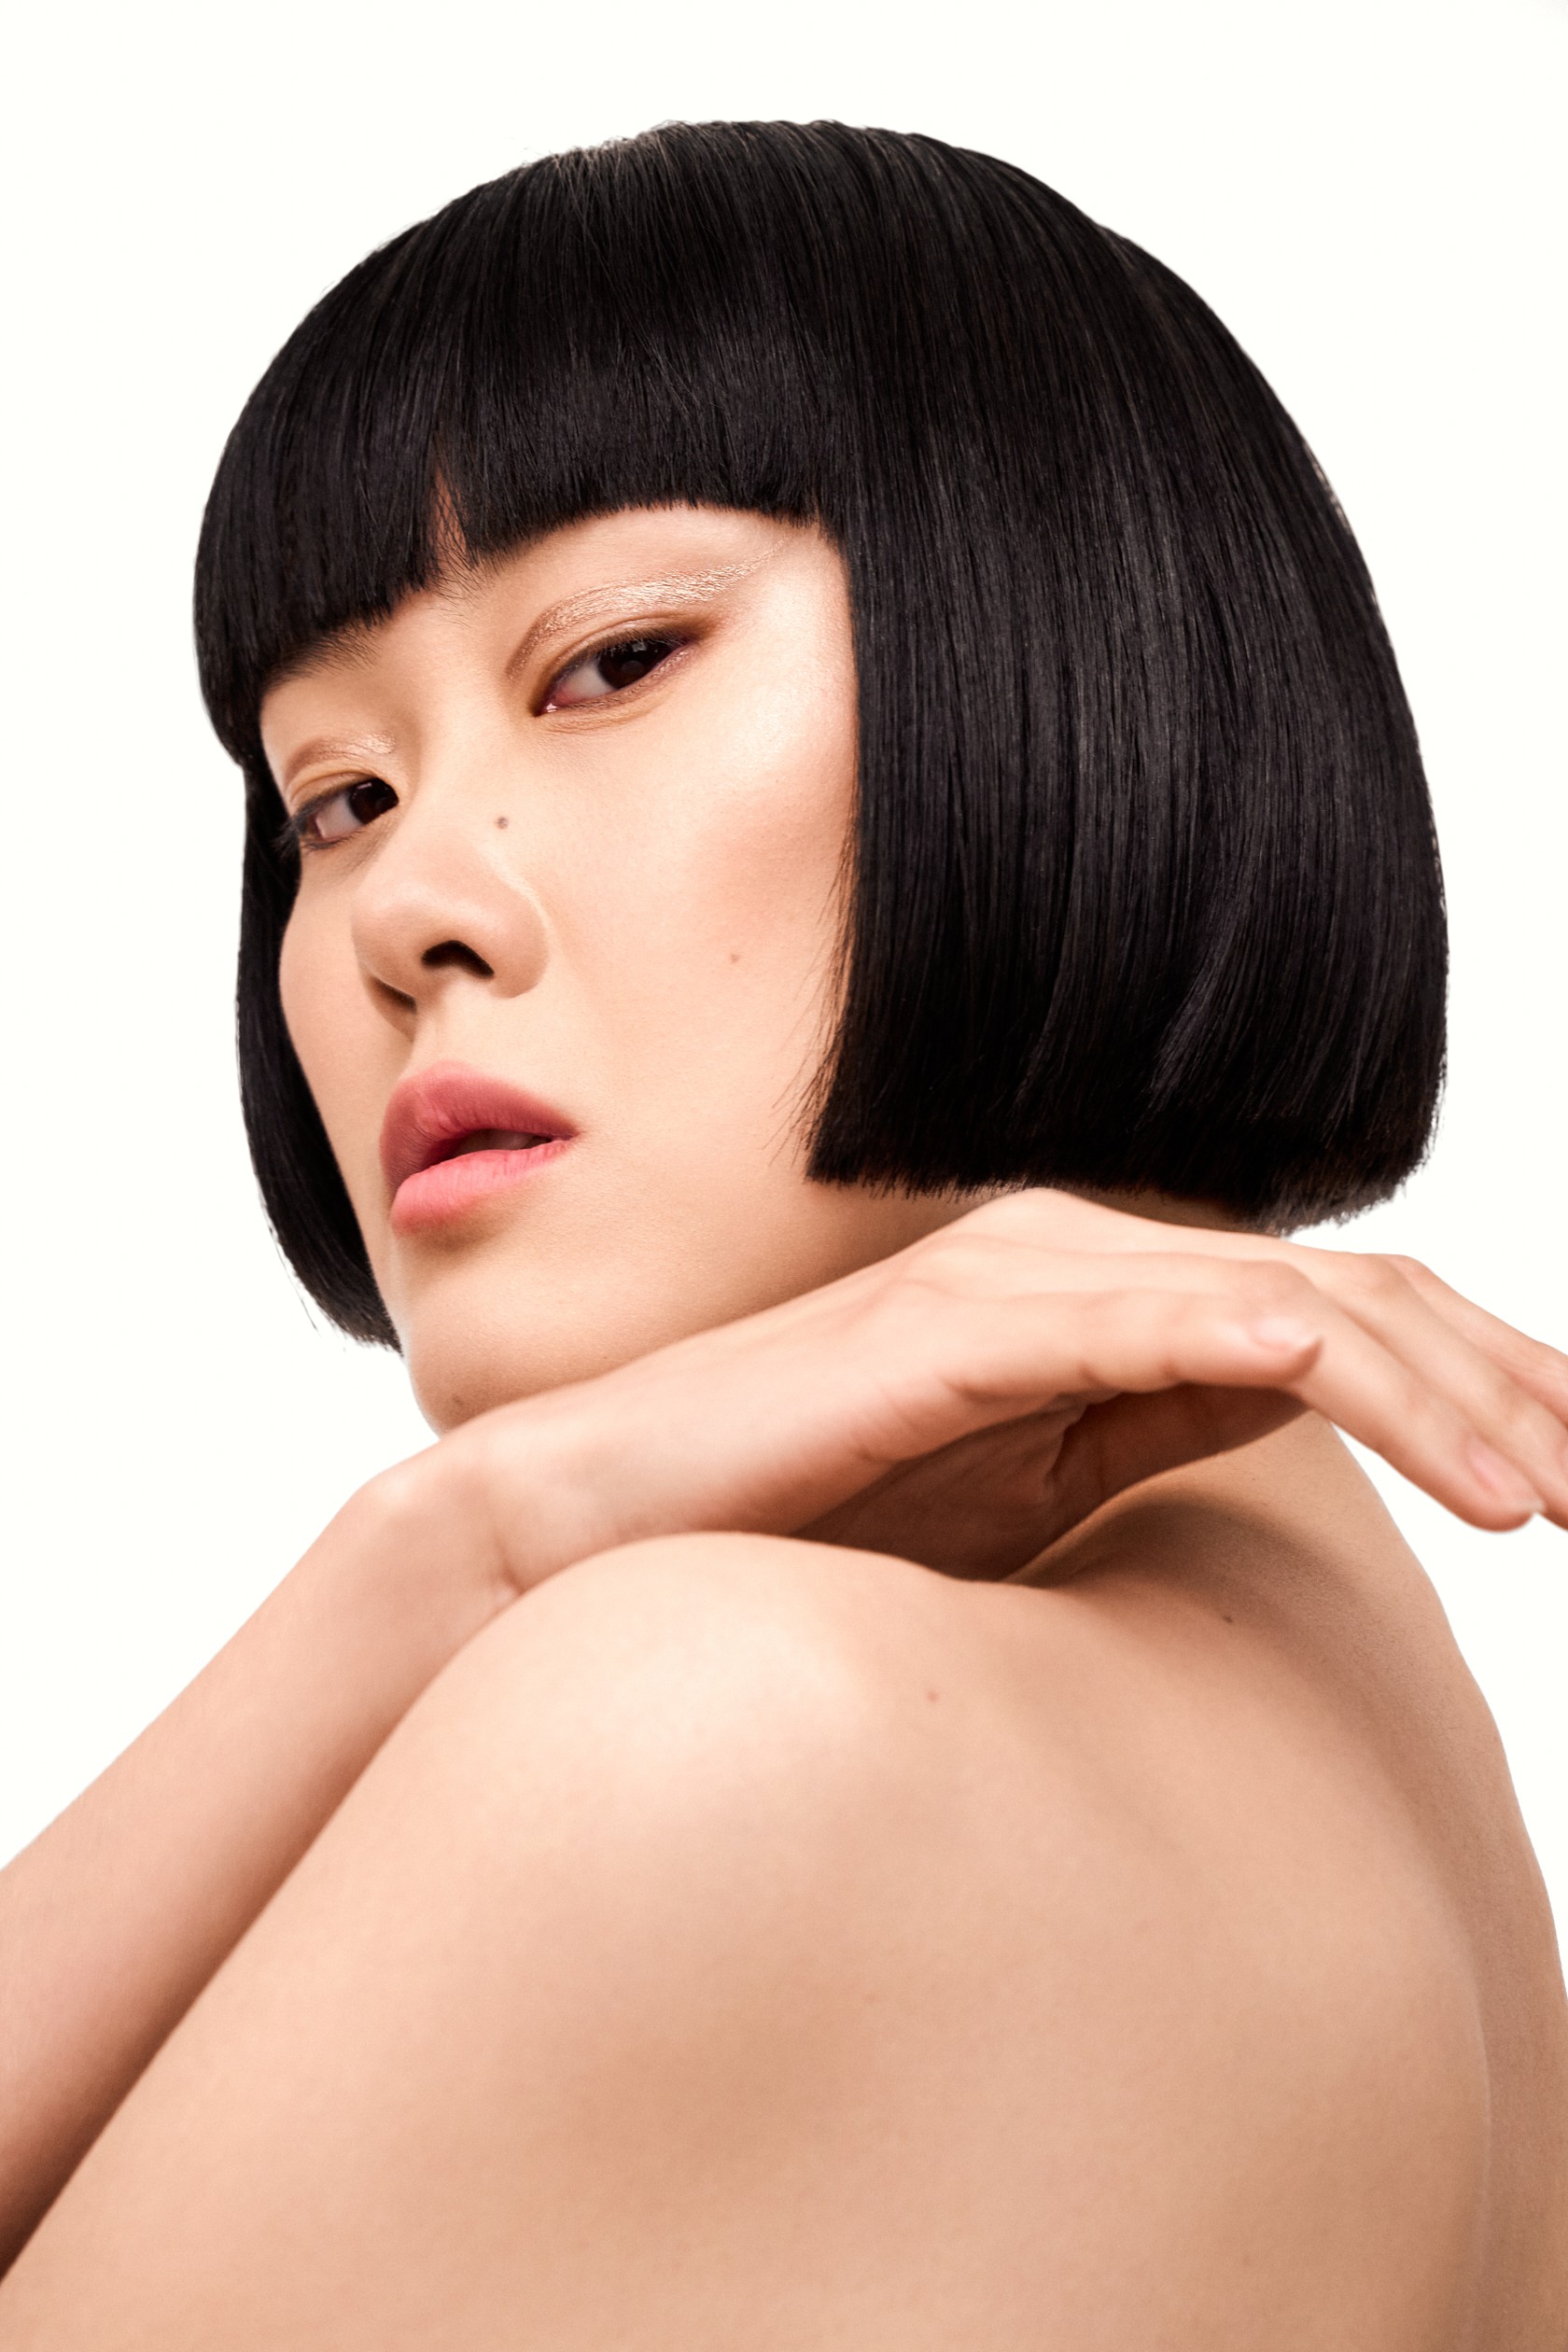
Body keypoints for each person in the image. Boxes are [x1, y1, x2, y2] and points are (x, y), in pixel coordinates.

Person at [0, 119, 1563, 2345]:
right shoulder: (1358, 1769)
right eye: (335, 798)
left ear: (1065, 636)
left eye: (612, 662)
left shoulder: (728, 1737)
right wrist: (450, 1560)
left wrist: (476, 1577)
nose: (405, 908)